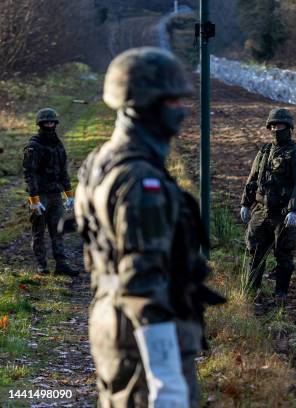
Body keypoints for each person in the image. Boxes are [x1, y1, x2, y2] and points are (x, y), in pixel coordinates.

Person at [75, 47, 224, 407]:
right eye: (171, 100)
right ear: (145, 104)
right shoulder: (141, 181)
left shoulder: (101, 161)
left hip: (115, 323)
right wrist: (165, 376)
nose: (181, 109)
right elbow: (142, 279)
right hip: (144, 337)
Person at [240, 108, 296, 301]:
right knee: (254, 252)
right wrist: (245, 203)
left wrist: (294, 210)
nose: (275, 129)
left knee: (284, 255)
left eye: (279, 125)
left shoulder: (295, 153)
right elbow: (253, 178)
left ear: (288, 128)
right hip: (261, 212)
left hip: (282, 214)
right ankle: (251, 291)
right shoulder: (264, 151)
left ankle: (281, 293)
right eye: (272, 126)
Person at [23, 108, 77, 276]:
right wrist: (34, 200)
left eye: (51, 121)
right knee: (38, 232)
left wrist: (69, 195)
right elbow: (29, 174)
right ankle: (42, 266)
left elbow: (63, 172)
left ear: (55, 123)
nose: (49, 124)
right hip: (40, 196)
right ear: (40, 124)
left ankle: (61, 265)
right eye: (46, 122)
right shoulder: (34, 146)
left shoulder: (58, 144)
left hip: (55, 195)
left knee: (58, 230)